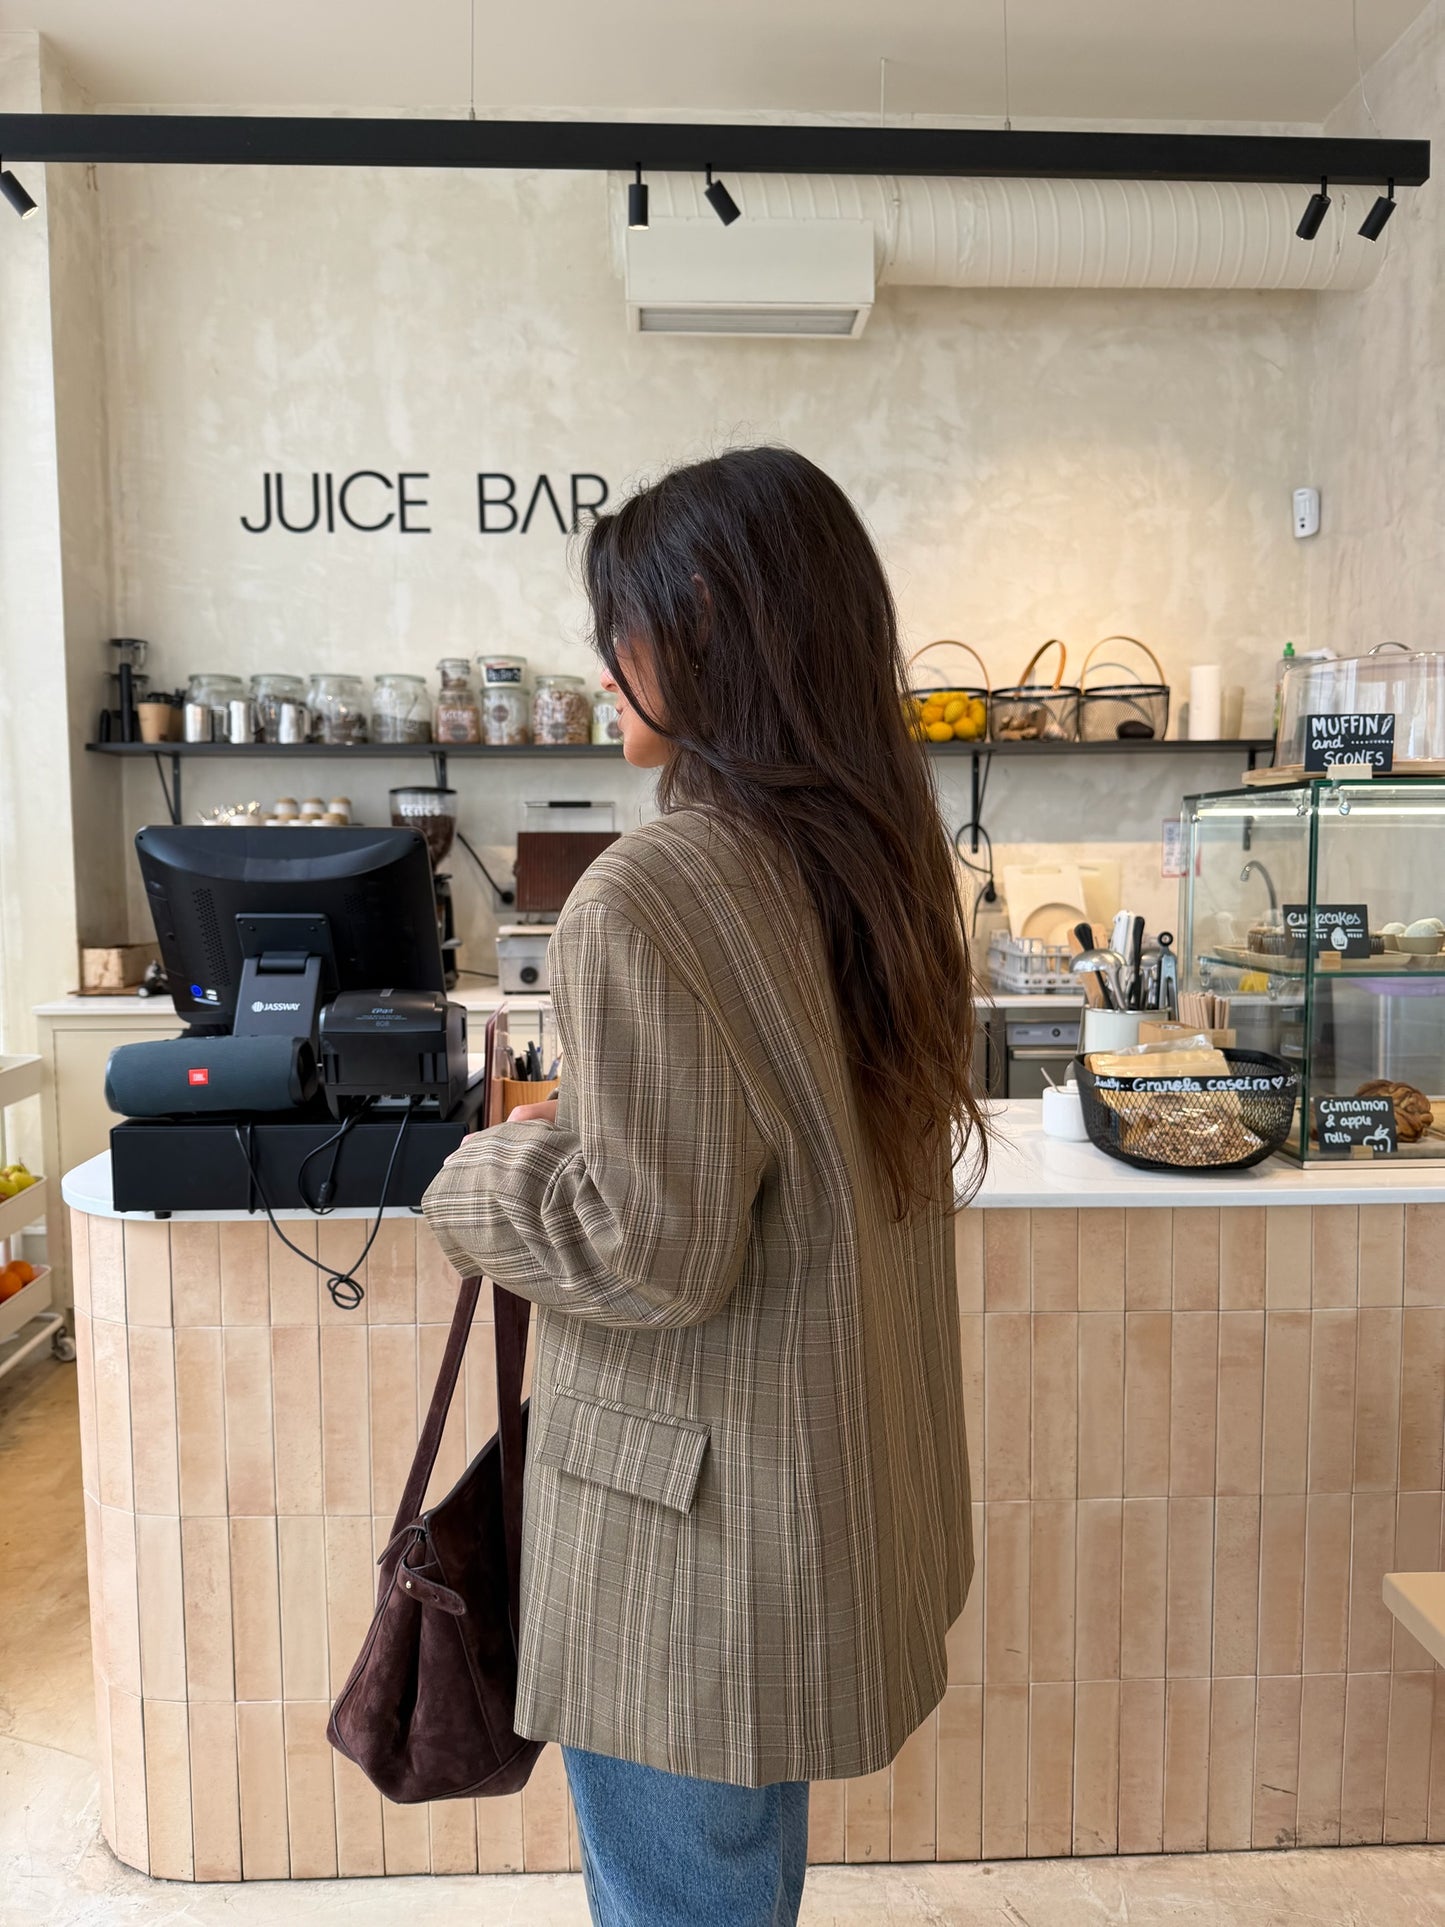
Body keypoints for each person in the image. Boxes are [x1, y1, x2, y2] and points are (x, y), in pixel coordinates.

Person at [422, 445, 986, 1926]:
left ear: (708, 631)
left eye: (623, 626)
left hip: (682, 1545)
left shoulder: (648, 890)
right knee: (730, 1880)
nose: (603, 664)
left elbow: (650, 1253)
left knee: (679, 1902)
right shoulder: (875, 865)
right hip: (817, 1504)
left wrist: (475, 1183)